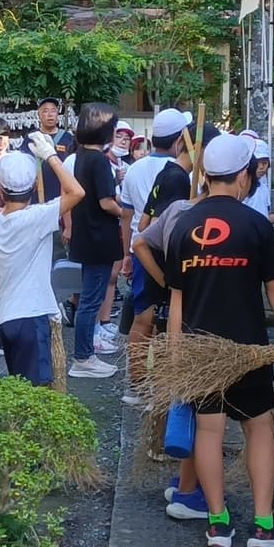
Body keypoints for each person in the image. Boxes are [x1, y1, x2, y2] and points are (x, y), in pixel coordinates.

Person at [165, 133, 274, 547]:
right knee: (259, 428)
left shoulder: (183, 224)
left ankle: (218, 523)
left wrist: (176, 354)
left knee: (209, 431)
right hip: (250, 350)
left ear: (205, 174)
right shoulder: (256, 225)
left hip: (202, 352)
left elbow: (176, 300)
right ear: (243, 175)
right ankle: (263, 526)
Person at [132, 185, 208, 518]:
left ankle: (178, 469)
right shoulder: (212, 219)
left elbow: (138, 242)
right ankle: (190, 489)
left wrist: (164, 279)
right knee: (203, 406)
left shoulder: (178, 208)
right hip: (200, 316)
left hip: (170, 310)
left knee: (176, 389)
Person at [0, 136, 85, 385]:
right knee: (37, 394)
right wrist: (51, 156)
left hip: (7, 317)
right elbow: (77, 191)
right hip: (31, 316)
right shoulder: (35, 218)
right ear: (32, 188)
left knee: (21, 391)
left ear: (1, 190)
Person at [118, 108, 192, 402]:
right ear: (179, 141)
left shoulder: (135, 168)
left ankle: (136, 384)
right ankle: (161, 385)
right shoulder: (180, 174)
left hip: (140, 248)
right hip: (163, 251)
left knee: (143, 318)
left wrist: (125, 254)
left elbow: (127, 216)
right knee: (163, 321)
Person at [67, 102, 124, 378]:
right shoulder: (100, 160)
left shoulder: (80, 156)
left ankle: (85, 353)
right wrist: (123, 209)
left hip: (85, 235)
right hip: (100, 237)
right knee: (92, 299)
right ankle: (83, 357)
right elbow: (106, 202)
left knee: (88, 298)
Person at [26, 96, 76, 200]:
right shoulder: (31, 137)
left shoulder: (68, 138)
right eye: (45, 111)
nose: (50, 114)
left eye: (53, 111)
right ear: (39, 115)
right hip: (36, 193)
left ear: (58, 114)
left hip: (61, 191)